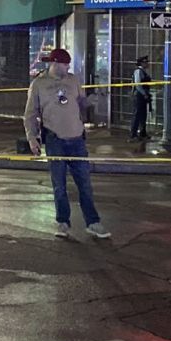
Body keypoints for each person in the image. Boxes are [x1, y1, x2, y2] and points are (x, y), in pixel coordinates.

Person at [23, 47, 110, 240]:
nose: (68, 67)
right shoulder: (38, 84)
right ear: (54, 63)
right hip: (55, 139)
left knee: (85, 184)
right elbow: (30, 114)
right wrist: (32, 138)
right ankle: (63, 222)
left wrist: (92, 100)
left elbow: (80, 103)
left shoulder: (72, 80)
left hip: (77, 139)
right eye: (65, 64)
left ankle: (93, 222)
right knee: (59, 185)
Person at [129, 55, 151, 141]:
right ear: (142, 63)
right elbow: (138, 85)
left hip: (142, 95)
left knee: (143, 115)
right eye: (146, 62)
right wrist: (144, 94)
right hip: (138, 96)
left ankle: (143, 133)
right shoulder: (138, 71)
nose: (147, 63)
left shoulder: (143, 71)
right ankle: (133, 135)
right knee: (137, 115)